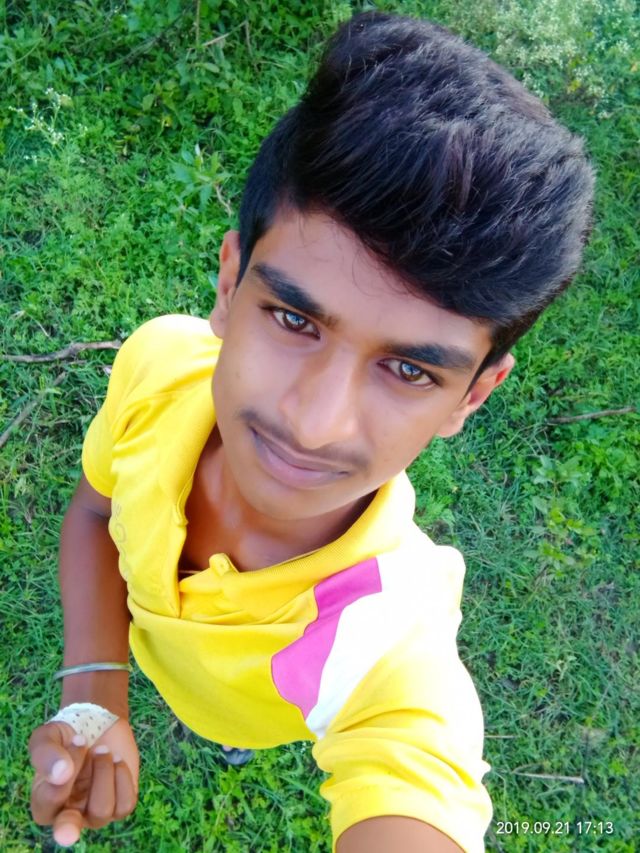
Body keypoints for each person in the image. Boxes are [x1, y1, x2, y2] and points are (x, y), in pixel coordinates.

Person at [28, 11, 594, 853]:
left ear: (472, 396)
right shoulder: (159, 364)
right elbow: (94, 511)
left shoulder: (388, 637)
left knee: (238, 727)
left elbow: (417, 776)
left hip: (257, 711)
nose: (312, 422)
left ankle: (232, 736)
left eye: (410, 370)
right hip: (138, 653)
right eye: (295, 319)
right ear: (230, 284)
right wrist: (98, 686)